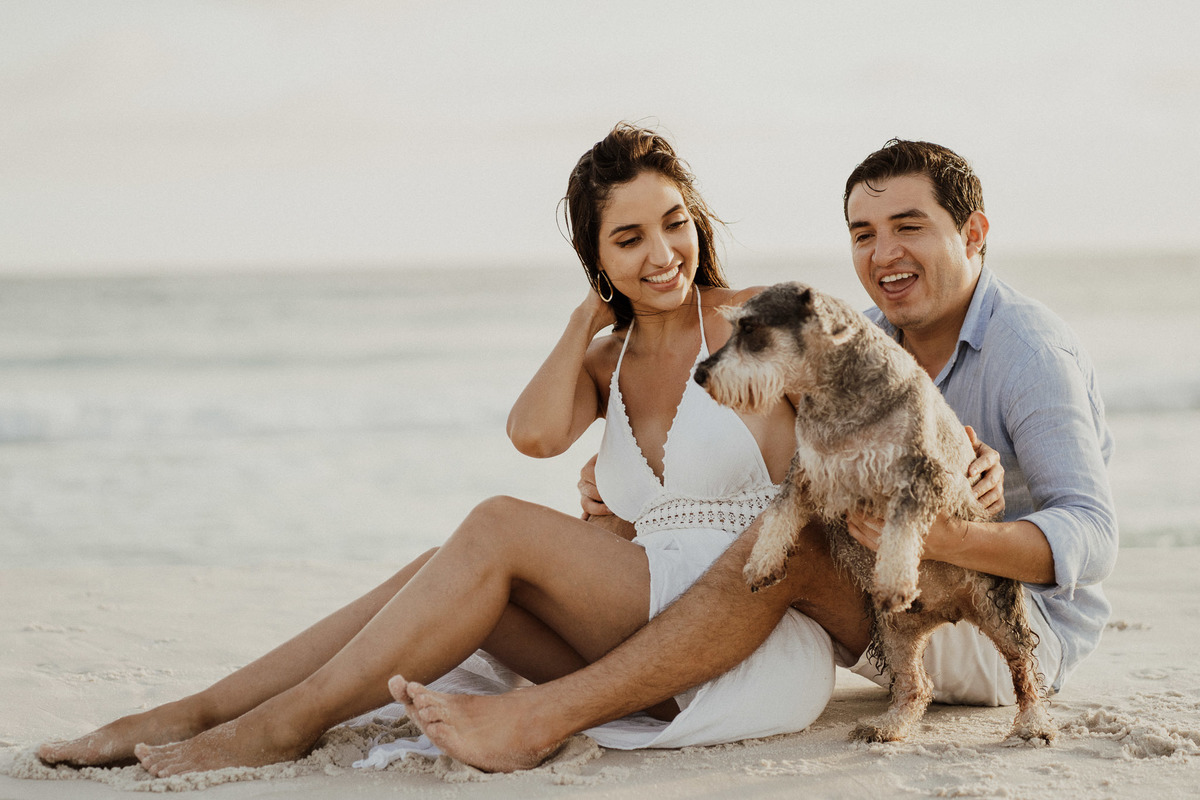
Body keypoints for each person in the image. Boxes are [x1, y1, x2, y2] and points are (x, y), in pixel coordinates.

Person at [35, 123, 899, 777]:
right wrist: (581, 324)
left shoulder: (771, 317)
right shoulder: (608, 356)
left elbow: (886, 420)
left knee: (492, 529)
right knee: (437, 568)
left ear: (696, 220)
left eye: (672, 224)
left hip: (747, 630)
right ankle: (196, 711)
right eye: (627, 239)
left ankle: (281, 725)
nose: (662, 253)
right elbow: (532, 433)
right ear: (596, 256)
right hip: (644, 630)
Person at [394, 139, 1118, 772]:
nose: (883, 253)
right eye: (863, 233)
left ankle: (548, 714)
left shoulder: (1030, 351)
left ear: (974, 233)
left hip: (1004, 628)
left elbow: (1093, 534)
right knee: (453, 562)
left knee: (791, 533)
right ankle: (287, 708)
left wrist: (954, 530)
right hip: (890, 608)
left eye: (909, 227)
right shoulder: (855, 339)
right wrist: (635, 488)